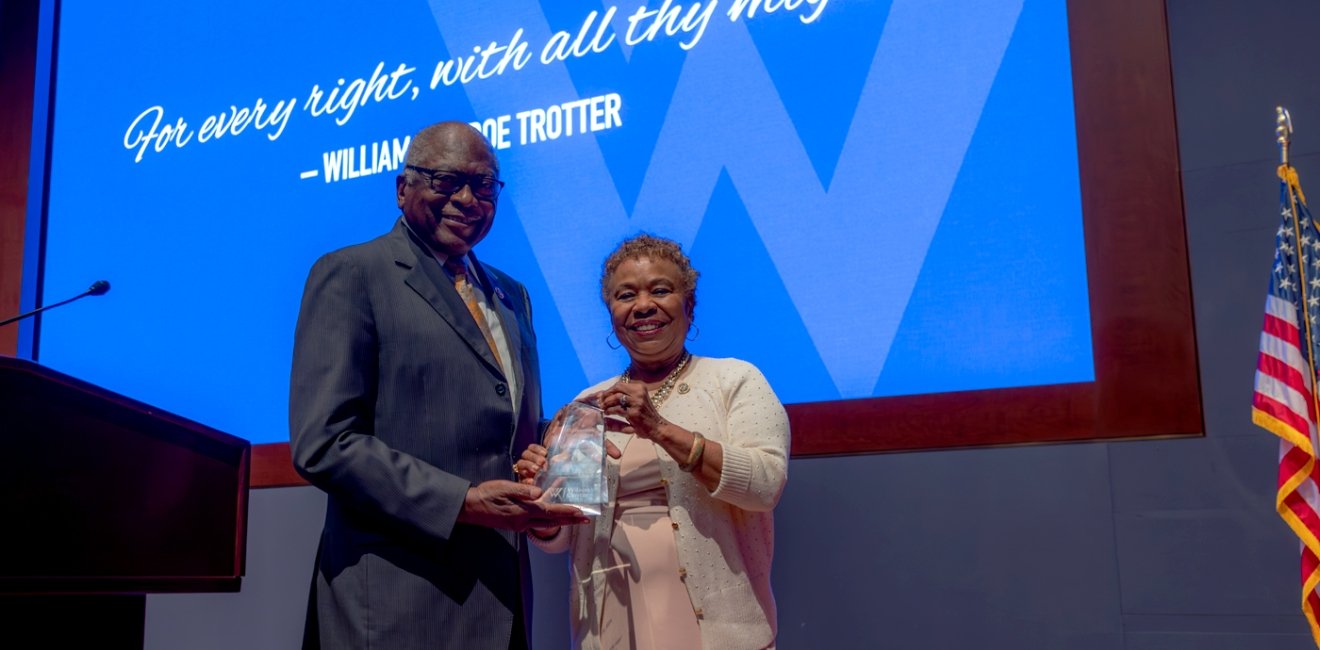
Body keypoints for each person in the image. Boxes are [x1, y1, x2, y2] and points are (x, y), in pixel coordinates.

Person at [289, 121, 588, 650]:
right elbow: (326, 444)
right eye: (447, 181)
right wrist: (463, 501)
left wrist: (565, 437)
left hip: (500, 599)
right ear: (403, 188)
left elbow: (503, 427)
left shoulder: (511, 293)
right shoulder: (353, 273)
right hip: (396, 602)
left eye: (485, 185)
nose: (468, 199)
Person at [517, 234, 790, 649]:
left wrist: (659, 428)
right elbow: (562, 537)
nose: (643, 305)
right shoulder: (586, 405)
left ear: (689, 304)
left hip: (719, 627)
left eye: (660, 290)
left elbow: (765, 486)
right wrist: (539, 501)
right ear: (612, 314)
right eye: (626, 295)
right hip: (610, 625)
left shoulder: (734, 380)